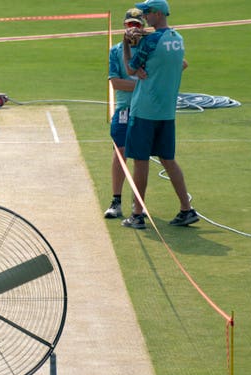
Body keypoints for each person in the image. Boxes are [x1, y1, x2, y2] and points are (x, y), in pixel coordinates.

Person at [121, 0, 198, 229]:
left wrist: (127, 44)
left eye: (146, 14)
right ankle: (186, 208)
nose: (144, 17)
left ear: (157, 13)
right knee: (168, 159)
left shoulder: (152, 41)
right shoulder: (178, 39)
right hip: (166, 112)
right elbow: (181, 64)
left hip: (144, 110)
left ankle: (137, 213)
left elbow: (131, 69)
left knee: (140, 162)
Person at [104, 8, 147, 219]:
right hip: (124, 109)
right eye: (130, 25)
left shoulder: (150, 49)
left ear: (143, 27)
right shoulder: (116, 51)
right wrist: (143, 85)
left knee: (141, 157)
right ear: (125, 27)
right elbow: (115, 83)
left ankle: (137, 206)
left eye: (137, 25)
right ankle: (116, 200)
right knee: (120, 152)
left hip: (146, 110)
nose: (133, 29)